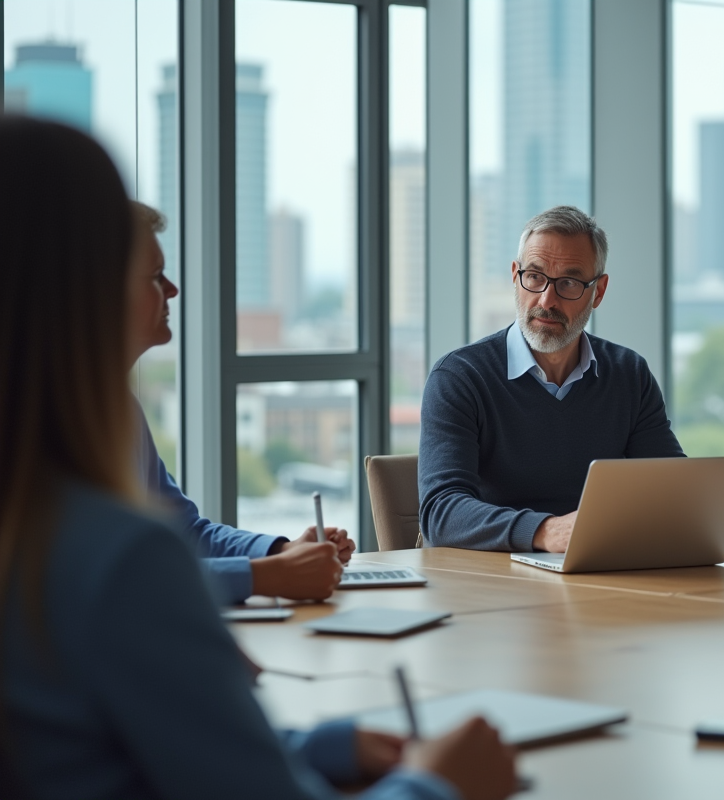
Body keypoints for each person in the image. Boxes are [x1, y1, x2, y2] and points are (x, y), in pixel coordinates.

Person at [0, 115, 517, 800]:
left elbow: (128, 741)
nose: (174, 292)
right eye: (149, 273)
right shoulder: (119, 559)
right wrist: (436, 784)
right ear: (84, 288)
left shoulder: (68, 484)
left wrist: (321, 743)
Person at [419, 206, 684, 552]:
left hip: (595, 577)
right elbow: (441, 513)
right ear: (516, 277)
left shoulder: (629, 375)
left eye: (570, 283)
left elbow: (675, 492)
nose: (547, 300)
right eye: (535, 277)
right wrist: (545, 531)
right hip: (489, 584)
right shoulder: (459, 377)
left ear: (598, 292)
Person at [128, 202, 350, 605]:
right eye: (156, 276)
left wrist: (282, 553)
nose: (173, 289)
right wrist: (266, 576)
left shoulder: (120, 409)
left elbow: (186, 533)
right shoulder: (42, 417)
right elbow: (115, 578)